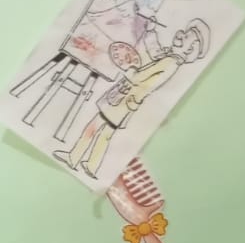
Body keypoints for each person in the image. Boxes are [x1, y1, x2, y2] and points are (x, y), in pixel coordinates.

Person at [55, 22, 209, 178]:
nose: (181, 34)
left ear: (190, 49)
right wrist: (151, 32)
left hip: (124, 98)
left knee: (93, 127)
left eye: (186, 36)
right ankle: (91, 166)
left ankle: (74, 158)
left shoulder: (170, 62)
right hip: (127, 101)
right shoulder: (170, 58)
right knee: (105, 134)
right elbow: (154, 52)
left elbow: (147, 79)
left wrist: (132, 72)